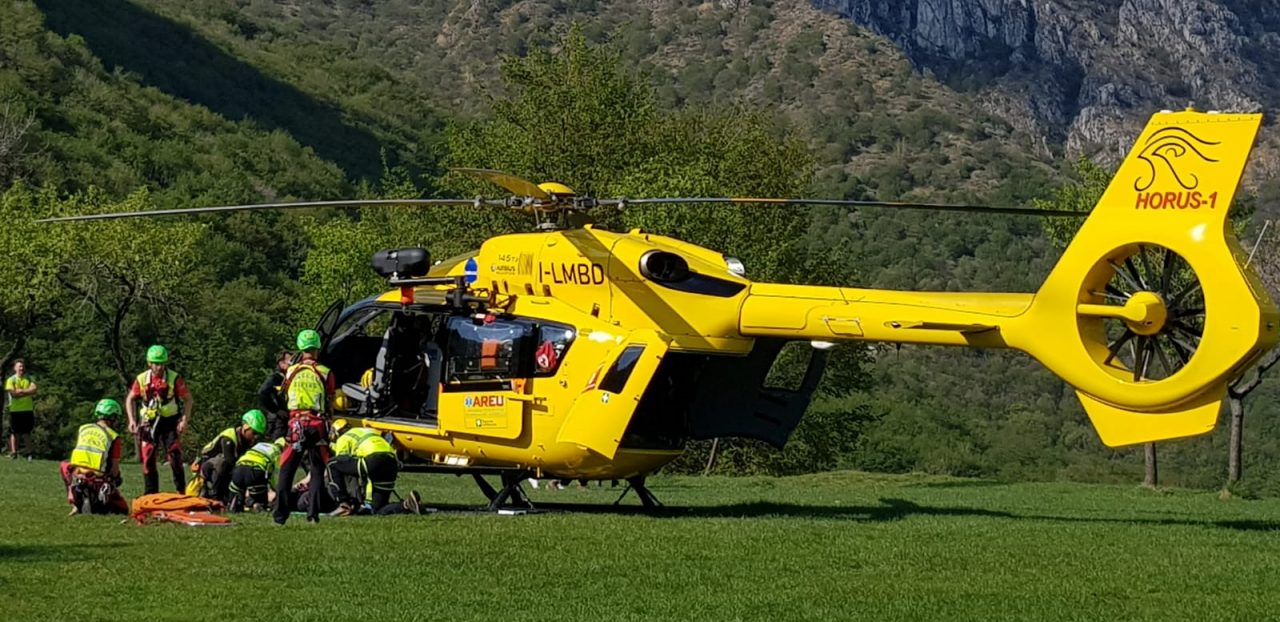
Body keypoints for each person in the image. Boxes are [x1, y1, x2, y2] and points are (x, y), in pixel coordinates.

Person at [273, 329, 335, 525]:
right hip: (317, 425)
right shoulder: (325, 372)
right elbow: (330, 399)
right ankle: (313, 515)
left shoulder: (291, 371)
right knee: (317, 470)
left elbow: (282, 394)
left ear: (300, 347)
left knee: (287, 469)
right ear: (317, 348)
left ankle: (279, 516)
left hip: (296, 425)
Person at [125, 345, 194, 494]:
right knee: (148, 456)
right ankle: (150, 493)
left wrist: (184, 420)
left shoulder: (174, 378)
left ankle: (181, 492)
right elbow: (130, 399)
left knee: (174, 454)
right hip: (148, 422)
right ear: (149, 363)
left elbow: (188, 399)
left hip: (169, 421)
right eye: (156, 363)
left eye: (162, 363)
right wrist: (131, 420)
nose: (159, 367)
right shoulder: (142, 379)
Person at [326, 424, 421, 516]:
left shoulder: (344, 438)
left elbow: (342, 462)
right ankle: (406, 505)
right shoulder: (366, 431)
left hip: (374, 459)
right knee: (377, 509)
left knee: (332, 464)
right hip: (391, 461)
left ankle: (343, 503)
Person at [60, 399, 128, 515]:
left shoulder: (83, 429)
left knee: (64, 465)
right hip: (98, 480)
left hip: (77, 475)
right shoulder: (114, 437)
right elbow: (114, 469)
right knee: (123, 509)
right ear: (112, 418)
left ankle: (74, 502)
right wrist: (116, 479)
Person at [193, 410, 265, 502]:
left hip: (223, 469)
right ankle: (216, 495)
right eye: (254, 433)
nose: (255, 437)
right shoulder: (229, 436)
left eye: (258, 435)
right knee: (223, 463)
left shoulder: (248, 441)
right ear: (246, 427)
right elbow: (230, 460)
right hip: (207, 466)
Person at [228, 437, 286, 512]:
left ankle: (235, 503)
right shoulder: (278, 453)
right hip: (255, 471)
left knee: (238, 490)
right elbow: (276, 476)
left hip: (239, 468)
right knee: (260, 495)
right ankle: (258, 504)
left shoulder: (260, 444)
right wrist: (276, 489)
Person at [5, 359, 37, 460]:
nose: (21, 368)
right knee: (14, 432)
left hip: (27, 409)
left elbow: (34, 389)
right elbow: (13, 394)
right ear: (15, 368)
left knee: (27, 432)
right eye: (19, 366)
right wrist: (27, 392)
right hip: (15, 410)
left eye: (23, 366)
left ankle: (30, 454)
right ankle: (14, 453)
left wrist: (21, 391)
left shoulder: (29, 378)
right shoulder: (11, 380)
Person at [258, 351, 292, 440]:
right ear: (281, 363)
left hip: (287, 419)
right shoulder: (275, 378)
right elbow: (263, 393)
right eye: (290, 360)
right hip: (277, 421)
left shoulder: (290, 378)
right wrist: (276, 410)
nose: (293, 363)